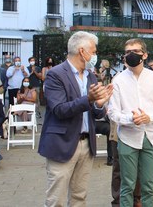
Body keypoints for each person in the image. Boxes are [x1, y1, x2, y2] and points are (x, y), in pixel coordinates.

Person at [38, 31, 113, 207]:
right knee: (56, 200)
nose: (95, 55)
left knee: (79, 197)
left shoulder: (91, 76)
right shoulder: (55, 75)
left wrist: (100, 104)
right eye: (93, 52)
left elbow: (95, 113)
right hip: (62, 143)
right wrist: (89, 99)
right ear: (82, 51)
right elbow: (59, 110)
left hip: (87, 144)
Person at [108, 38, 153, 206]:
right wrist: (131, 119)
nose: (131, 55)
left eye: (135, 51)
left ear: (144, 54)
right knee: (127, 185)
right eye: (127, 52)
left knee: (148, 186)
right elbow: (113, 112)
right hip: (127, 138)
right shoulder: (118, 80)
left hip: (150, 137)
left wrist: (149, 117)